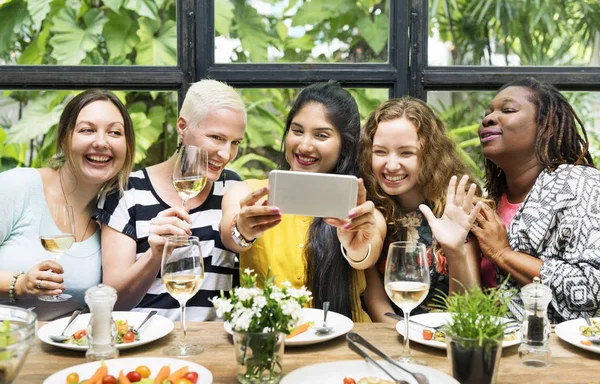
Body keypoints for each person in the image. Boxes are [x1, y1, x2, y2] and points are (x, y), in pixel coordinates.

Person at [220, 82, 383, 322]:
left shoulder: (362, 214)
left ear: (344, 146)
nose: (304, 145)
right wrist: (242, 229)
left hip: (346, 344)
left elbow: (366, 254)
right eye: (297, 131)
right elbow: (230, 237)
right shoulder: (245, 193)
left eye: (321, 135)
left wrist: (356, 246)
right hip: (271, 341)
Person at [97, 79, 246, 321]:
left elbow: (239, 235)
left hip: (213, 348)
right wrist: (155, 255)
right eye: (216, 137)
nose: (226, 154)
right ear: (182, 126)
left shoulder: (230, 187)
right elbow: (114, 303)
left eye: (235, 142)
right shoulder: (126, 191)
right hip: (145, 342)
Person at [471, 77, 600, 323]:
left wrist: (503, 254)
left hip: (559, 354)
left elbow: (593, 289)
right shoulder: (491, 203)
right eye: (487, 114)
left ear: (546, 125)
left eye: (507, 110)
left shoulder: (582, 185)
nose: (488, 119)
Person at [0, 89, 135, 320]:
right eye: (87, 130)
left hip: (66, 349)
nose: (101, 142)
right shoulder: (18, 186)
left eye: (114, 132)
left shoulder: (117, 214)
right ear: (64, 137)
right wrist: (19, 283)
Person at [359, 97, 483, 323]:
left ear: (430, 155)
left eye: (406, 153)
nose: (391, 165)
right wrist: (408, 338)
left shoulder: (457, 209)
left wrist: (455, 250)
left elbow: (467, 307)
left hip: (444, 339)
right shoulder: (370, 209)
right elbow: (375, 300)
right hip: (393, 340)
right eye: (380, 152)